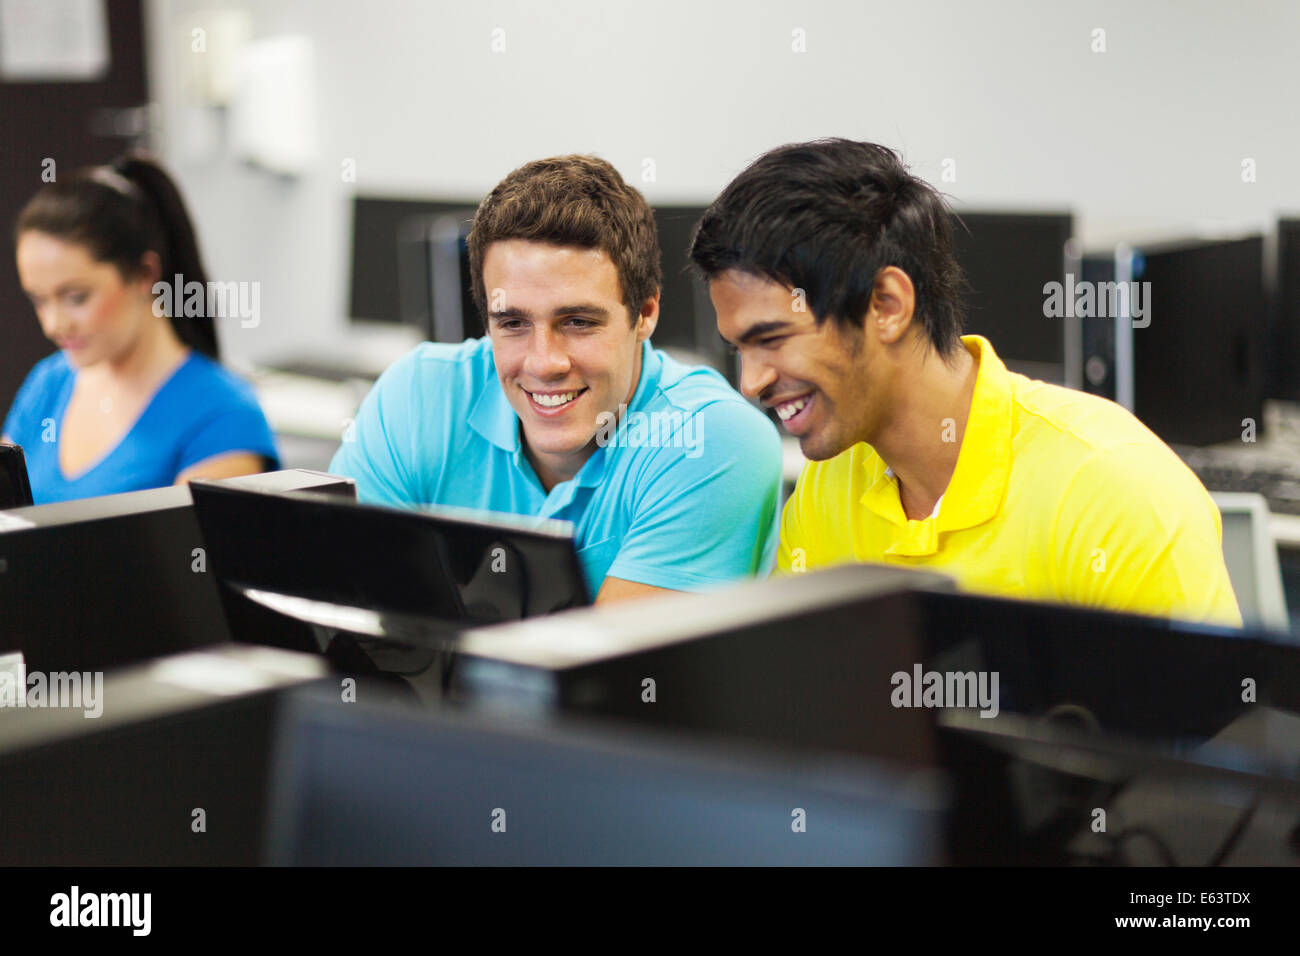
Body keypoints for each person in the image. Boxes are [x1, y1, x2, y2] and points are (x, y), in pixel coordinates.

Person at [690, 138, 1241, 627]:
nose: (751, 382)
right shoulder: (828, 486)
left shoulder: (1116, 492)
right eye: (740, 349)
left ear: (886, 305)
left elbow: (1197, 738)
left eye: (773, 338)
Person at [329, 154, 781, 602]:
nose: (544, 363)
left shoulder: (711, 438)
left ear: (645, 314)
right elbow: (346, 615)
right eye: (512, 323)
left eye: (578, 322)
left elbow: (612, 669)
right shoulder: (416, 395)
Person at [3, 154, 279, 504]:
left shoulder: (224, 415)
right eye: (39, 300)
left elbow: (193, 556)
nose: (53, 325)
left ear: (145, 276)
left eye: (76, 297)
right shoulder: (48, 383)